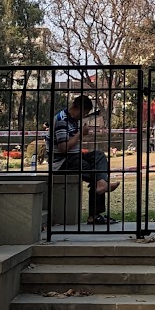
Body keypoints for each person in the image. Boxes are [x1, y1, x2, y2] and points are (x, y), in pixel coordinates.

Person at [51, 94, 119, 225]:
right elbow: (63, 148)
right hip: (63, 161)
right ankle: (95, 213)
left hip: (75, 157)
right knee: (95, 172)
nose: (84, 117)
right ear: (79, 108)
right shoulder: (61, 120)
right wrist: (80, 133)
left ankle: (101, 183)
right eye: (85, 113)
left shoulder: (72, 120)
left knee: (99, 156)